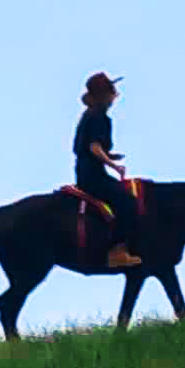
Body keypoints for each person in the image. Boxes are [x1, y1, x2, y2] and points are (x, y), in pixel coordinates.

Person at [73, 71, 143, 269]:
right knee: (128, 202)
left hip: (86, 171)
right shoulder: (99, 118)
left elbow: (88, 147)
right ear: (105, 95)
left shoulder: (89, 116)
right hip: (93, 176)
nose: (115, 96)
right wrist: (115, 166)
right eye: (112, 92)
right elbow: (94, 148)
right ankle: (117, 251)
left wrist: (110, 156)